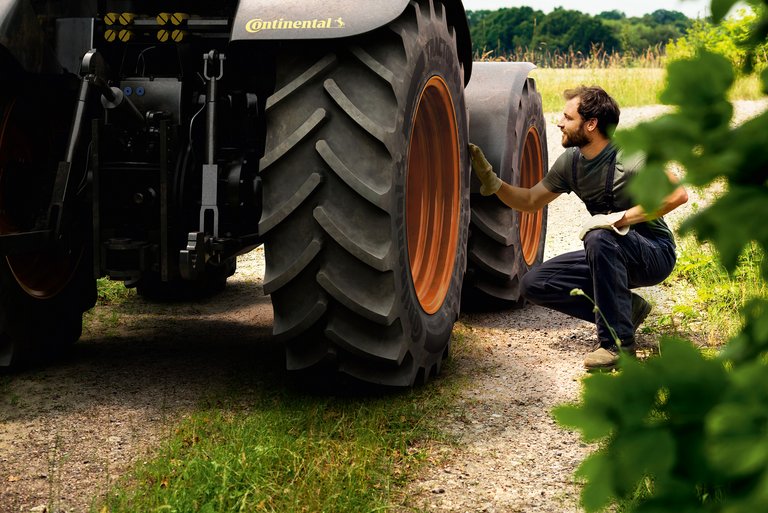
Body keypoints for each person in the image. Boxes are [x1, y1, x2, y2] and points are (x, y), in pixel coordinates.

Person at [469, 85, 688, 370]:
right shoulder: (571, 163)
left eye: (567, 117)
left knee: (598, 236)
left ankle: (616, 346)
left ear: (591, 124)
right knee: (534, 283)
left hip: (653, 253)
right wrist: (495, 184)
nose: (559, 122)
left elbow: (677, 194)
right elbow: (531, 199)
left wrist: (618, 220)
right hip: (607, 249)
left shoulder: (631, 156)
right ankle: (627, 309)